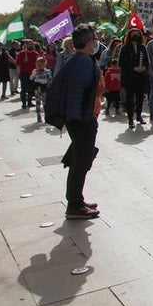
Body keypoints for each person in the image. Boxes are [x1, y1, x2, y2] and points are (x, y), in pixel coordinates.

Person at [58, 23, 103, 220]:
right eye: (94, 39)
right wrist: (83, 118)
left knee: (80, 160)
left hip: (83, 117)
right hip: (82, 119)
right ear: (87, 42)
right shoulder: (81, 63)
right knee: (80, 161)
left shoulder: (83, 61)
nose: (96, 43)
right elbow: (77, 94)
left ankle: (77, 199)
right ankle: (74, 205)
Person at [117, 28, 148, 129]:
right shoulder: (125, 48)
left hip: (140, 77)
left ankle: (139, 116)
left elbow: (147, 61)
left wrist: (144, 68)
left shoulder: (143, 48)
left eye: (137, 34)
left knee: (140, 98)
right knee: (129, 99)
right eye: (133, 34)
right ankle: (130, 120)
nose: (135, 36)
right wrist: (133, 68)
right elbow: (121, 62)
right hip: (129, 77)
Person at [15, 40, 40, 109]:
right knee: (24, 88)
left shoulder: (36, 54)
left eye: (32, 44)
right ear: (26, 45)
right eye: (29, 44)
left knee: (31, 89)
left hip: (32, 73)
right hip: (24, 73)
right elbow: (18, 64)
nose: (31, 45)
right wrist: (18, 73)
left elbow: (38, 64)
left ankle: (29, 102)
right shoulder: (22, 53)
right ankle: (24, 103)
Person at [30, 56, 51, 123]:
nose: (40, 66)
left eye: (41, 64)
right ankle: (38, 115)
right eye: (38, 64)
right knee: (38, 102)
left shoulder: (47, 71)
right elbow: (30, 78)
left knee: (45, 103)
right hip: (37, 87)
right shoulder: (35, 71)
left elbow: (50, 79)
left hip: (45, 88)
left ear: (45, 64)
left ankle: (46, 115)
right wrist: (34, 73)